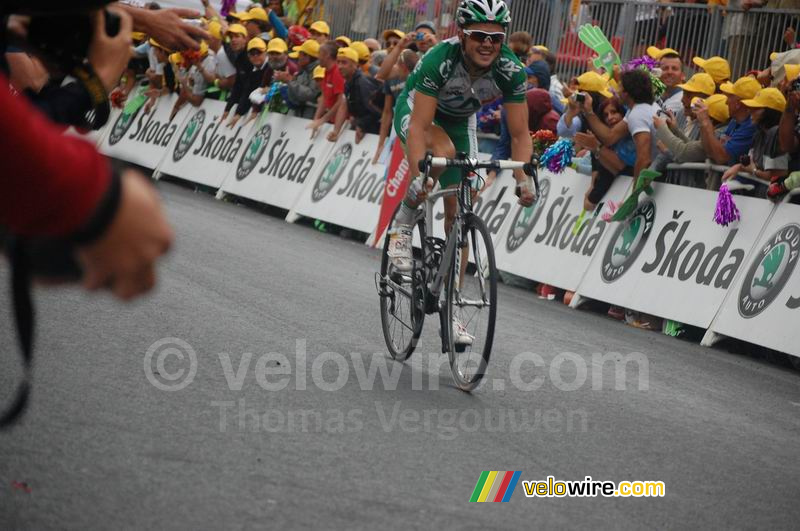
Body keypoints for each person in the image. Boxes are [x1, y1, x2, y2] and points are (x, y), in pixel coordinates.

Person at [387, 0, 535, 344]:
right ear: (462, 34)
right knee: (442, 155)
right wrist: (418, 179)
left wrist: (522, 178)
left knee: (461, 209)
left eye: (496, 38)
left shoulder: (511, 70)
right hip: (419, 111)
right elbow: (422, 126)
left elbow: (519, 133)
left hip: (460, 120)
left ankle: (451, 310)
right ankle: (403, 224)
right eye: (479, 35)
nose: (488, 44)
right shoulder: (440, 60)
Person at [583, 69, 660, 179]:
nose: (617, 91)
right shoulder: (642, 108)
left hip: (660, 176)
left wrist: (634, 192)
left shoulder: (638, 114)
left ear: (626, 93)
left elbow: (644, 158)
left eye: (620, 87)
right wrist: (588, 111)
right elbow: (610, 137)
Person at [574, 97, 636, 211]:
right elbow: (607, 169)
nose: (610, 118)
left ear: (623, 114)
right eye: (606, 115)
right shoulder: (610, 141)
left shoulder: (633, 134)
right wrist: (593, 185)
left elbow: (621, 167)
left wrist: (597, 147)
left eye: (613, 112)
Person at [722, 88, 788, 190]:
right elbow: (752, 164)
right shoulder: (759, 134)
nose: (749, 111)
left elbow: (776, 176)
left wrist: (753, 171)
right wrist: (739, 166)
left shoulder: (777, 134)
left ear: (769, 112)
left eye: (756, 108)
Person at [698, 75, 760, 165]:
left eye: (730, 97)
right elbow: (710, 152)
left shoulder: (750, 126)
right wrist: (703, 125)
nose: (726, 102)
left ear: (738, 104)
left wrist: (707, 123)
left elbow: (721, 158)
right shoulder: (735, 121)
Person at [373, 49, 418, 163]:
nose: (393, 67)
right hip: (399, 126)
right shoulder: (391, 80)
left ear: (402, 66)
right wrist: (380, 145)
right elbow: (387, 111)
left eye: (396, 64)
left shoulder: (417, 77)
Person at [329, 47, 382, 142]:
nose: (340, 66)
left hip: (375, 132)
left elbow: (377, 111)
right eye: (338, 62)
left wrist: (361, 125)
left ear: (355, 65)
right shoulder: (349, 82)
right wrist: (336, 131)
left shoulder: (362, 82)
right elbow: (344, 106)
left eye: (344, 63)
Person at [224, 37, 269, 128]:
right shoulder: (254, 71)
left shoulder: (270, 67)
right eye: (252, 54)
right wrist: (238, 113)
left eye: (259, 53)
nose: (255, 56)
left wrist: (255, 110)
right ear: (248, 57)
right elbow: (247, 91)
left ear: (265, 53)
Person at [557, 71, 612, 138]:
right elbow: (563, 132)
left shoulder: (608, 109)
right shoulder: (578, 109)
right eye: (602, 96)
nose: (605, 99)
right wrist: (570, 113)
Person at [307, 42, 345, 138]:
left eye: (319, 53)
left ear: (327, 55)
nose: (317, 57)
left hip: (342, 124)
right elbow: (324, 97)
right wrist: (316, 119)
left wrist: (322, 120)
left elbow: (341, 101)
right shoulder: (327, 71)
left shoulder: (337, 72)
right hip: (332, 121)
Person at [280, 38, 321, 118]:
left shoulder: (319, 71)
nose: (298, 57)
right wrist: (288, 83)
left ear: (307, 56)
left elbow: (310, 94)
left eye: (300, 54)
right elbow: (295, 99)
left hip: (311, 118)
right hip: (300, 117)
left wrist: (290, 81)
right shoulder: (303, 72)